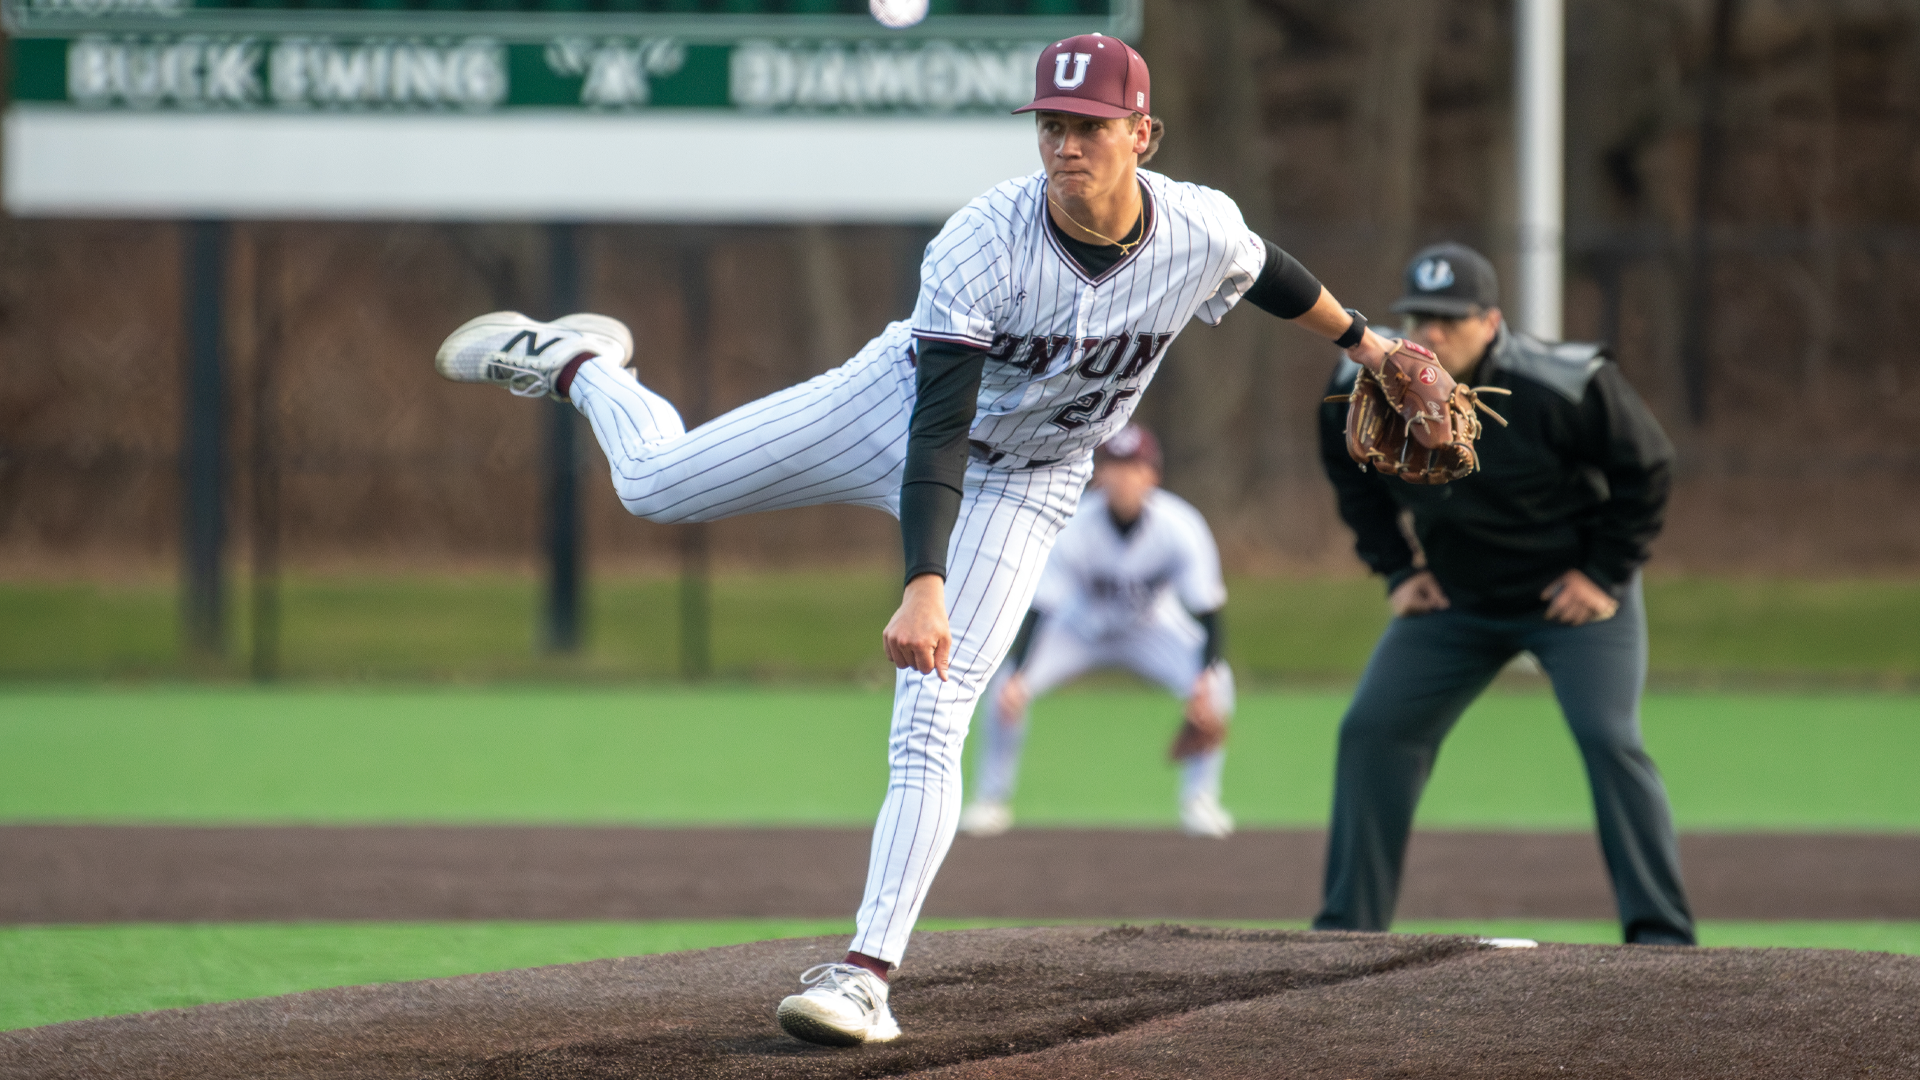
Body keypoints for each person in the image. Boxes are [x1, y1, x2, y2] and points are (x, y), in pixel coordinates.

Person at [435, 33, 1439, 1046]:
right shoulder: (981, 239)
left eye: (1088, 125)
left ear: (1144, 133)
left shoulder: (1199, 227)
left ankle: (865, 974)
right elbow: (939, 427)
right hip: (897, 410)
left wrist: (1368, 342)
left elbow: (1268, 272)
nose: (1064, 143)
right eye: (1051, 123)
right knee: (653, 484)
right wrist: (925, 580)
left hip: (1032, 478)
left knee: (934, 711)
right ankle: (580, 366)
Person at [1312, 241, 1695, 946]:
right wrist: (1396, 568)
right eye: (1419, 317)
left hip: (1572, 602)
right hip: (1457, 602)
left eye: (1450, 319)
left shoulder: (1564, 382)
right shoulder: (1364, 383)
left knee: (1609, 738)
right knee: (1372, 730)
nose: (1430, 333)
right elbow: (1348, 479)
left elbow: (1648, 468)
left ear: (1491, 322)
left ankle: (1661, 938)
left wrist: (1604, 573)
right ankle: (1346, 933)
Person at [958, 423, 1237, 840]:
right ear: (1099, 474)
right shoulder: (1074, 523)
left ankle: (1201, 800)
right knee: (1004, 688)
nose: (1123, 477)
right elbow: (1041, 606)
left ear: (1152, 475)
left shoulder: (1181, 526)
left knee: (1218, 686)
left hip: (1150, 628)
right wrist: (1018, 671)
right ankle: (991, 799)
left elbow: (1209, 610)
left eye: (1133, 466)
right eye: (1114, 466)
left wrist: (1203, 678)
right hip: (1079, 628)